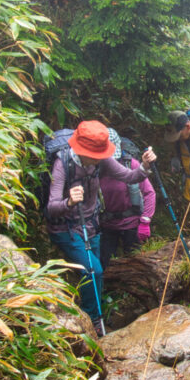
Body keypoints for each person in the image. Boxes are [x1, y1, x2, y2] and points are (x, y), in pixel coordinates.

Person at [45, 120, 157, 331]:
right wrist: (69, 202)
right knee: (92, 270)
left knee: (98, 271)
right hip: (66, 228)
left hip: (92, 225)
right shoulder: (63, 164)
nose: (101, 158)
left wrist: (145, 165)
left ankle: (100, 315)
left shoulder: (100, 160)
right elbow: (51, 207)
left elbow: (130, 176)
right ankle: (92, 321)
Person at [98, 128, 156, 267]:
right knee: (105, 264)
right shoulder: (95, 167)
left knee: (136, 263)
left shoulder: (131, 164)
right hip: (106, 224)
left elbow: (149, 193)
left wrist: (145, 221)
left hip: (132, 223)